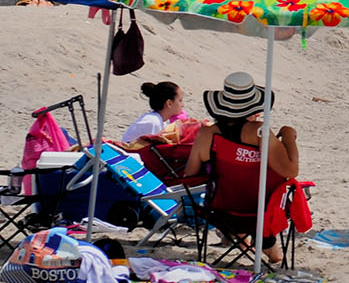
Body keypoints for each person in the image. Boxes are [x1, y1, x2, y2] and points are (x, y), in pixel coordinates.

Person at [184, 73, 300, 265]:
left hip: (221, 213)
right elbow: (291, 170)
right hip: (260, 212)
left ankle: (233, 236)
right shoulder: (259, 132)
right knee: (263, 190)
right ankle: (267, 244)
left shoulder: (206, 135)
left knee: (230, 187)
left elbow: (191, 174)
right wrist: (288, 137)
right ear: (253, 107)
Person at [116, 81, 202, 149]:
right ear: (169, 103)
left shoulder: (160, 120)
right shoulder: (152, 122)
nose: (182, 105)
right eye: (180, 100)